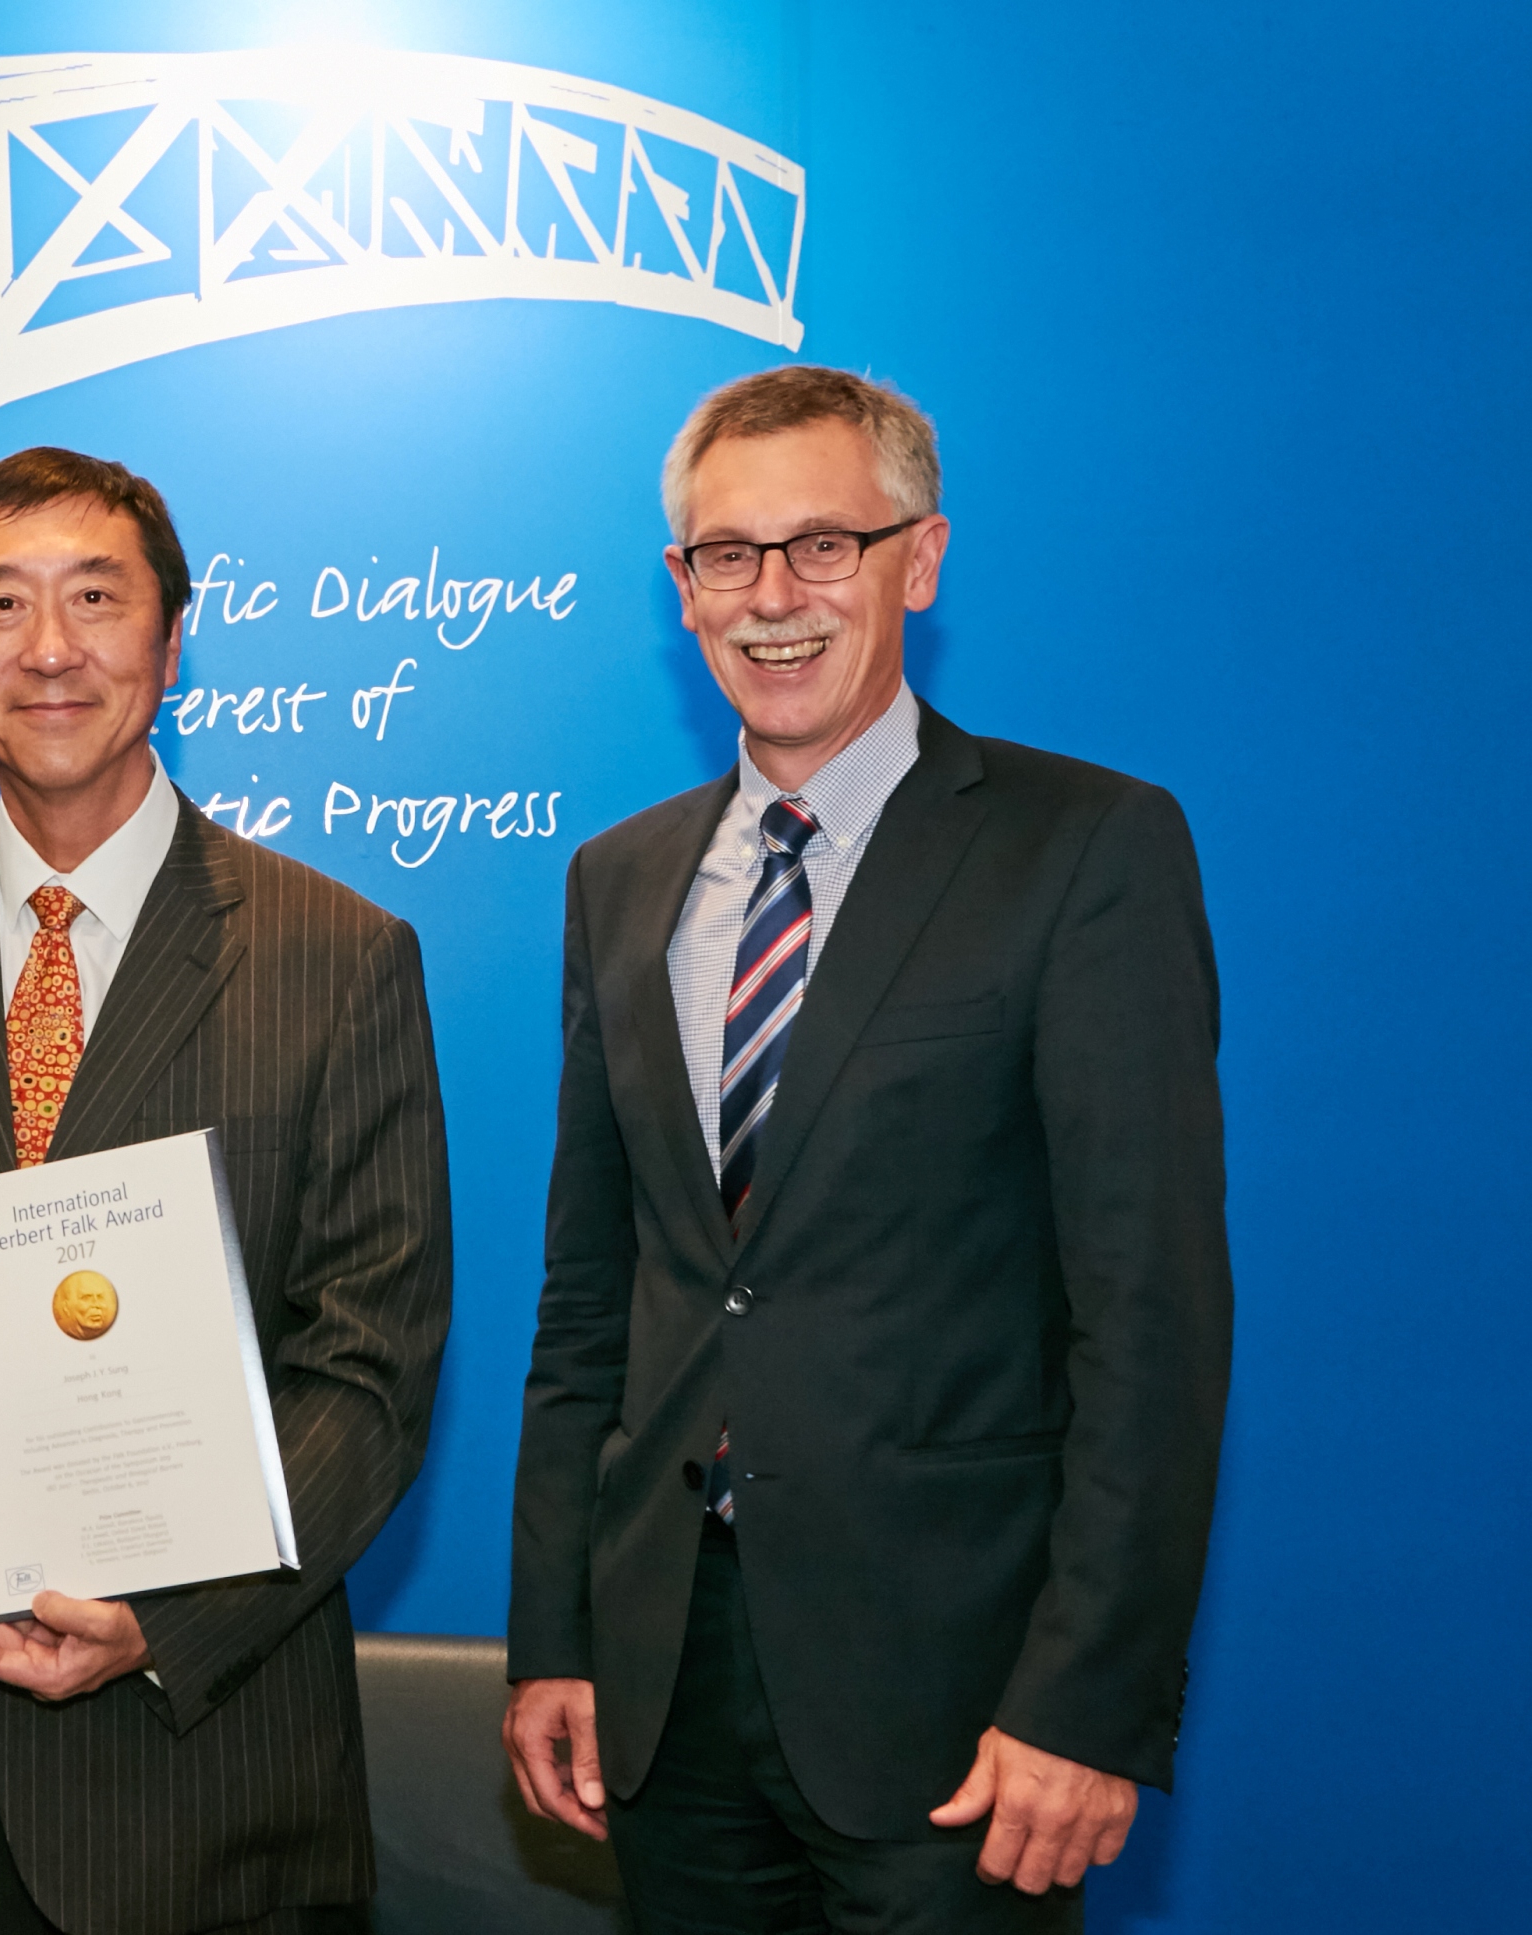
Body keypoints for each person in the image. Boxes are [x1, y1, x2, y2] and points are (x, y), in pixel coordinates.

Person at [503, 366, 1232, 1929]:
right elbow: (590, 1302)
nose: (772, 598)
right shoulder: (617, 881)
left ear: (920, 558)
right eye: (724, 556)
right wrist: (555, 1638)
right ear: (678, 589)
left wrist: (1081, 1703)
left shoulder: (1084, 849)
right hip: (663, 1698)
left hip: (959, 1710)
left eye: (822, 546)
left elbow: (1150, 1320)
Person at [0, 447, 452, 1933]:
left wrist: (163, 1625)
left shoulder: (338, 959)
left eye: (93, 598)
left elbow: (368, 1375)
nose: (50, 648)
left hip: (199, 1792)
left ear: (171, 643)